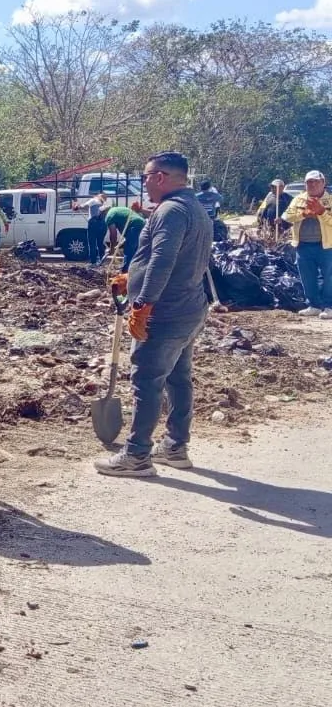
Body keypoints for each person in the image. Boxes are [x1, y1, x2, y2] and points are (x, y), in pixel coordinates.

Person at [95, 151, 212, 477]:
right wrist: (130, 278)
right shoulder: (194, 208)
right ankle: (175, 446)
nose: (144, 182)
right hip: (189, 308)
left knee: (146, 380)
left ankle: (136, 455)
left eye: (146, 176)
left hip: (165, 312)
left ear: (160, 177)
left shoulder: (171, 212)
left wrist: (143, 304)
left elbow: (163, 261)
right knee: (177, 377)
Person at [281, 169, 332, 318]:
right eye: (309, 182)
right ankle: (314, 305)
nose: (313, 185)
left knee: (329, 276)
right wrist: (304, 214)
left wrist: (322, 212)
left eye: (316, 181)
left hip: (327, 246)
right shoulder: (298, 199)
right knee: (307, 277)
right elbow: (287, 217)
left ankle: (329, 306)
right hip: (303, 245)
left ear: (323, 183)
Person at [106, 200, 146, 271]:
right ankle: (135, 271)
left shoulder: (109, 216)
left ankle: (125, 272)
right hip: (143, 224)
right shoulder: (119, 209)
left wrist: (112, 249)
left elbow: (113, 234)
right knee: (136, 251)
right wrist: (118, 245)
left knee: (129, 251)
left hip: (134, 226)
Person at [84, 191, 110, 265]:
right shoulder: (105, 204)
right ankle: (101, 261)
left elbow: (84, 206)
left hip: (93, 223)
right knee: (100, 243)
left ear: (98, 196)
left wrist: (77, 206)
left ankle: (93, 262)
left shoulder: (93, 200)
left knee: (92, 243)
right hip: (103, 224)